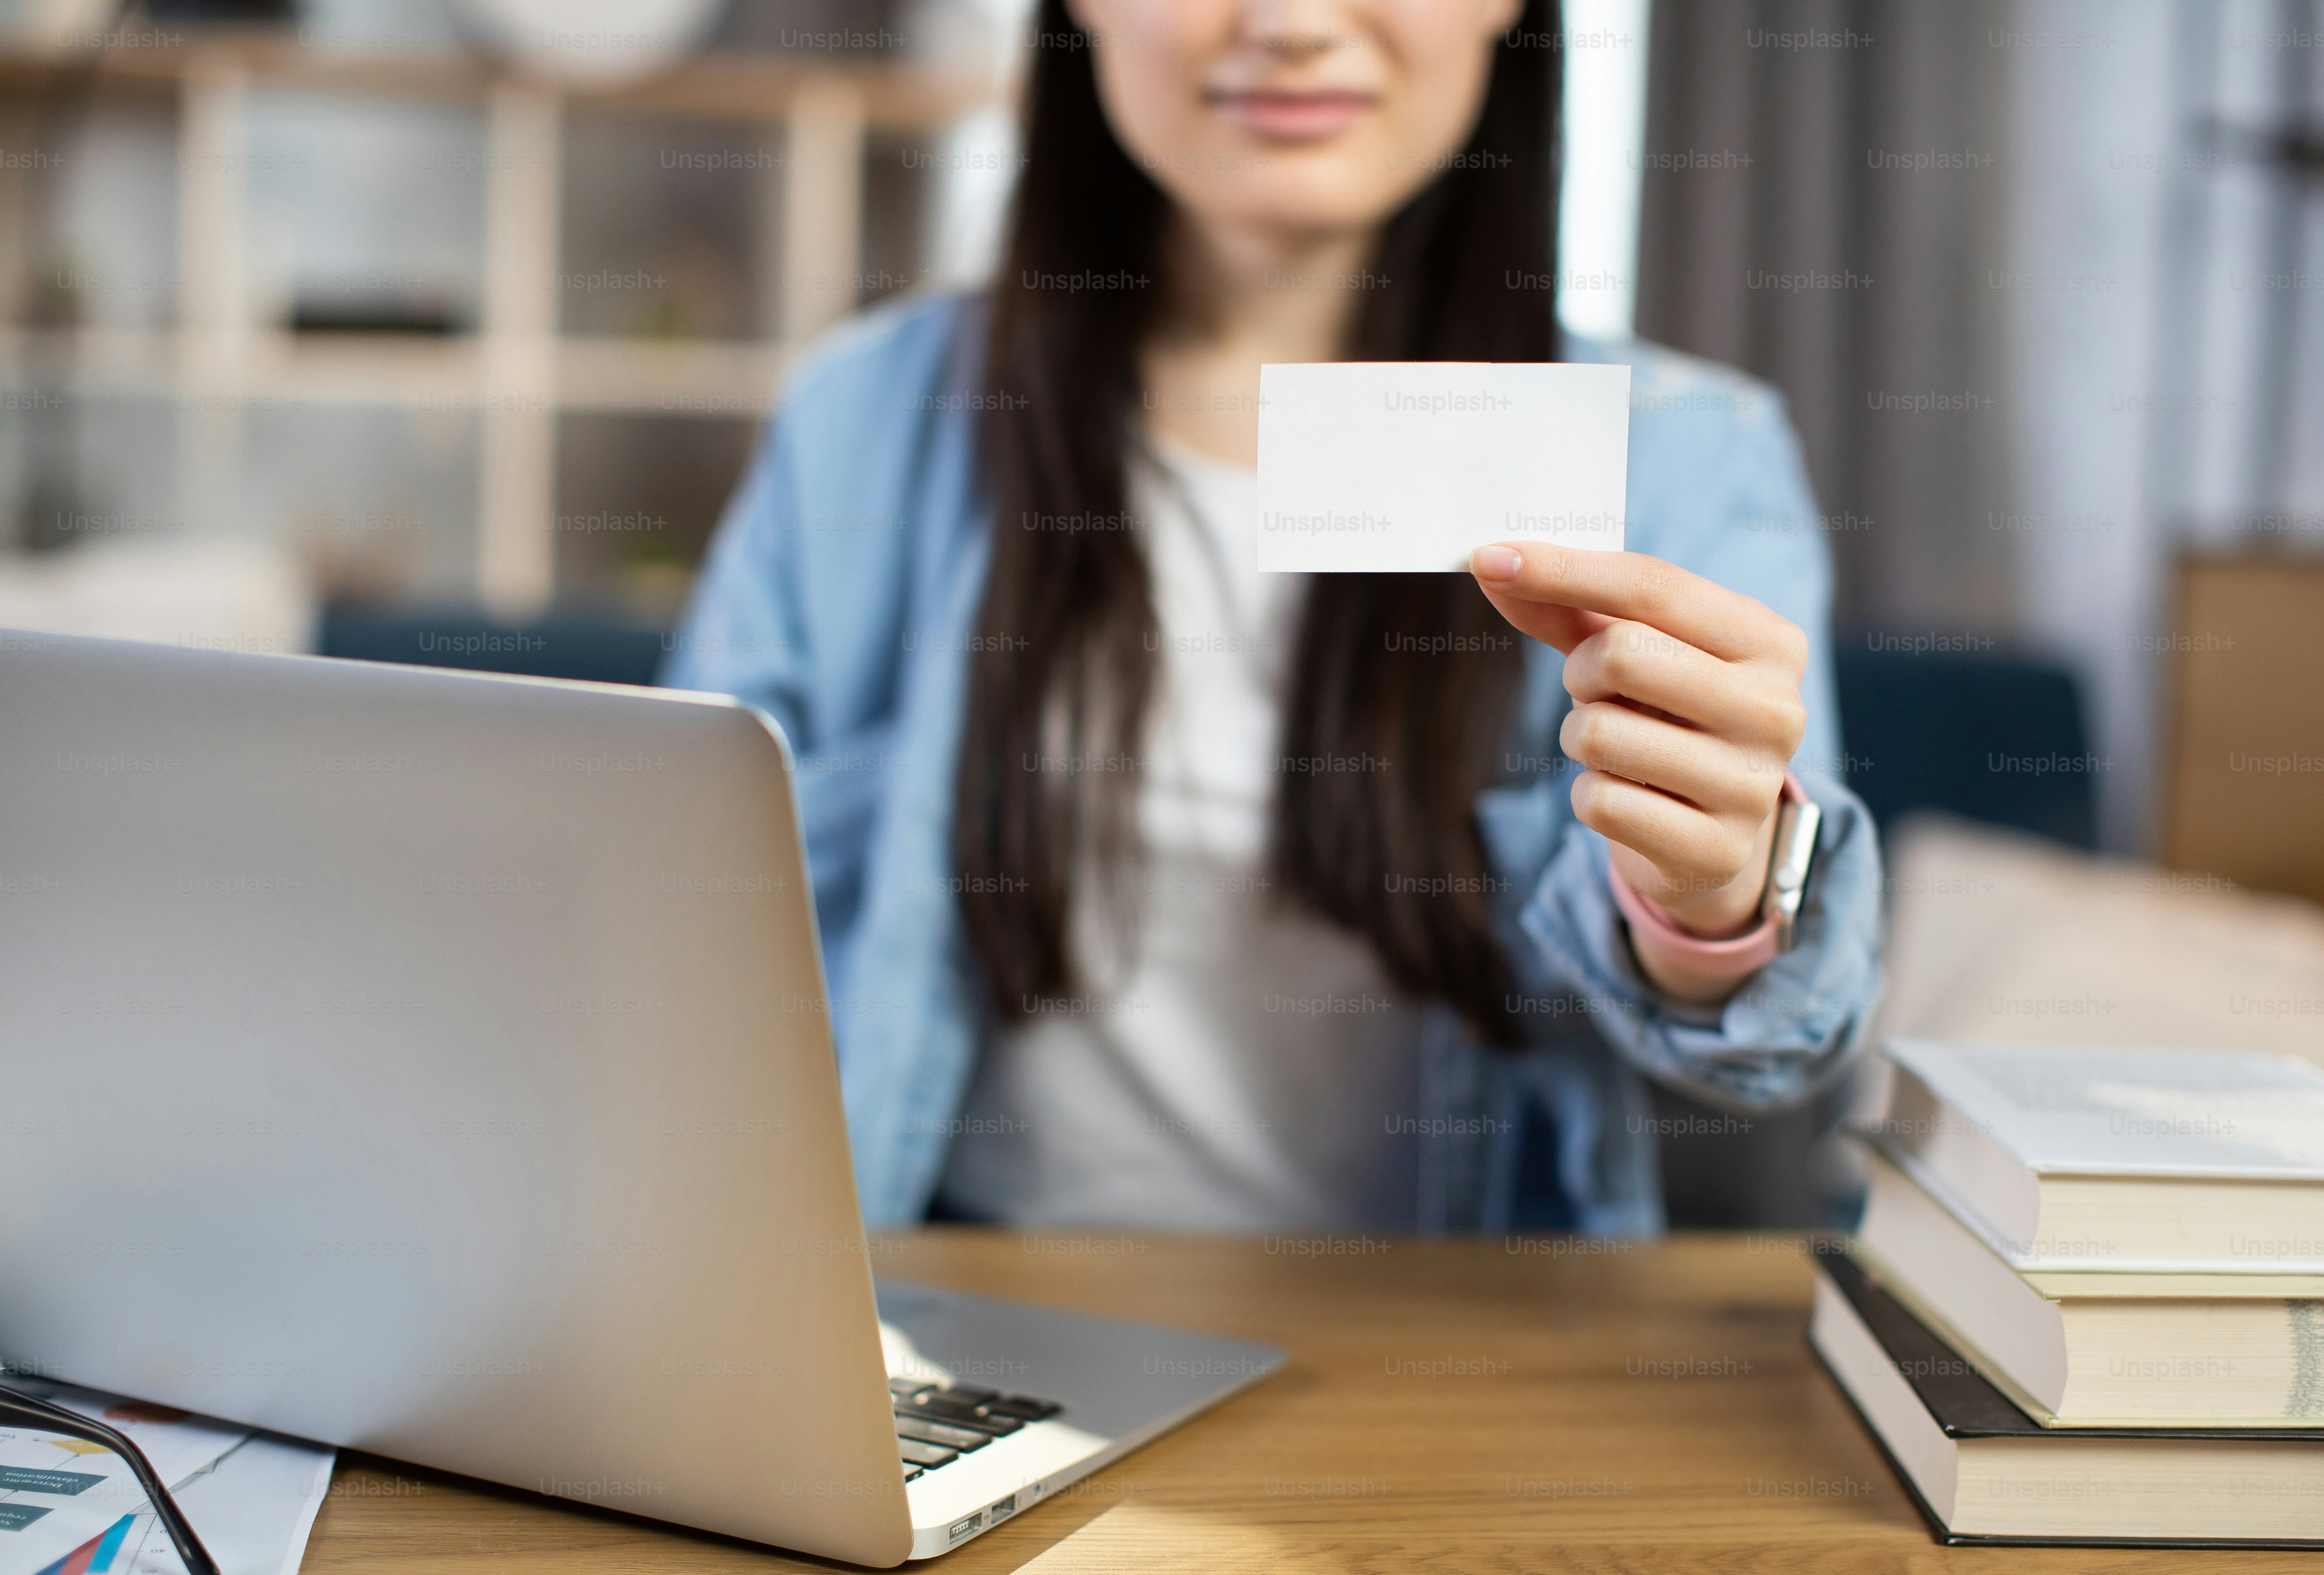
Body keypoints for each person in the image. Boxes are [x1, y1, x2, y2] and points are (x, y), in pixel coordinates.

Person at [660, 0, 1883, 1235]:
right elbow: (673, 920)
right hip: (963, 1319)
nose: (1294, 23)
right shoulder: (865, 416)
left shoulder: (1687, 458)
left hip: (1449, 1349)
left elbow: (1781, 1043)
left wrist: (1707, 896)